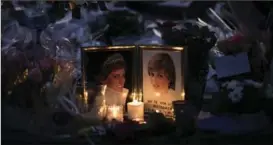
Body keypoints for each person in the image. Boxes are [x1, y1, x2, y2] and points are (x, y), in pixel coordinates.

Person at [145, 53, 178, 117]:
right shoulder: (146, 100)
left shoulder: (174, 100)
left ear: (169, 78)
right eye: (152, 74)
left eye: (160, 76)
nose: (154, 80)